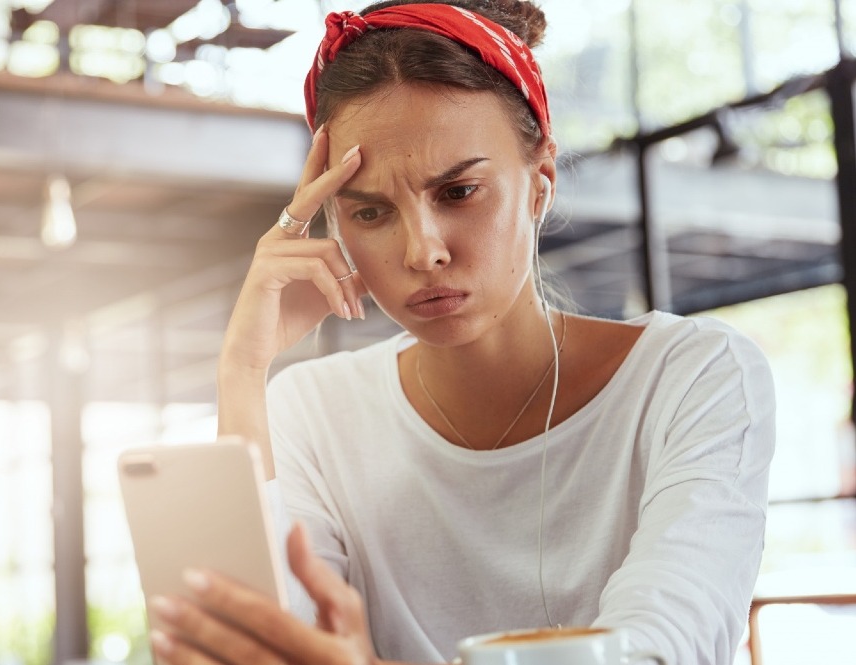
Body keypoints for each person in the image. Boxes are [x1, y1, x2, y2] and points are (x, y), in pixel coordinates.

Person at [144, 2, 775, 664]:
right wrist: (242, 372)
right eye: (371, 212)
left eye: (459, 192)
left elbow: (659, 652)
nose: (422, 252)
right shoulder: (311, 412)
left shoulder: (693, 378)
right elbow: (245, 647)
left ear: (540, 185)